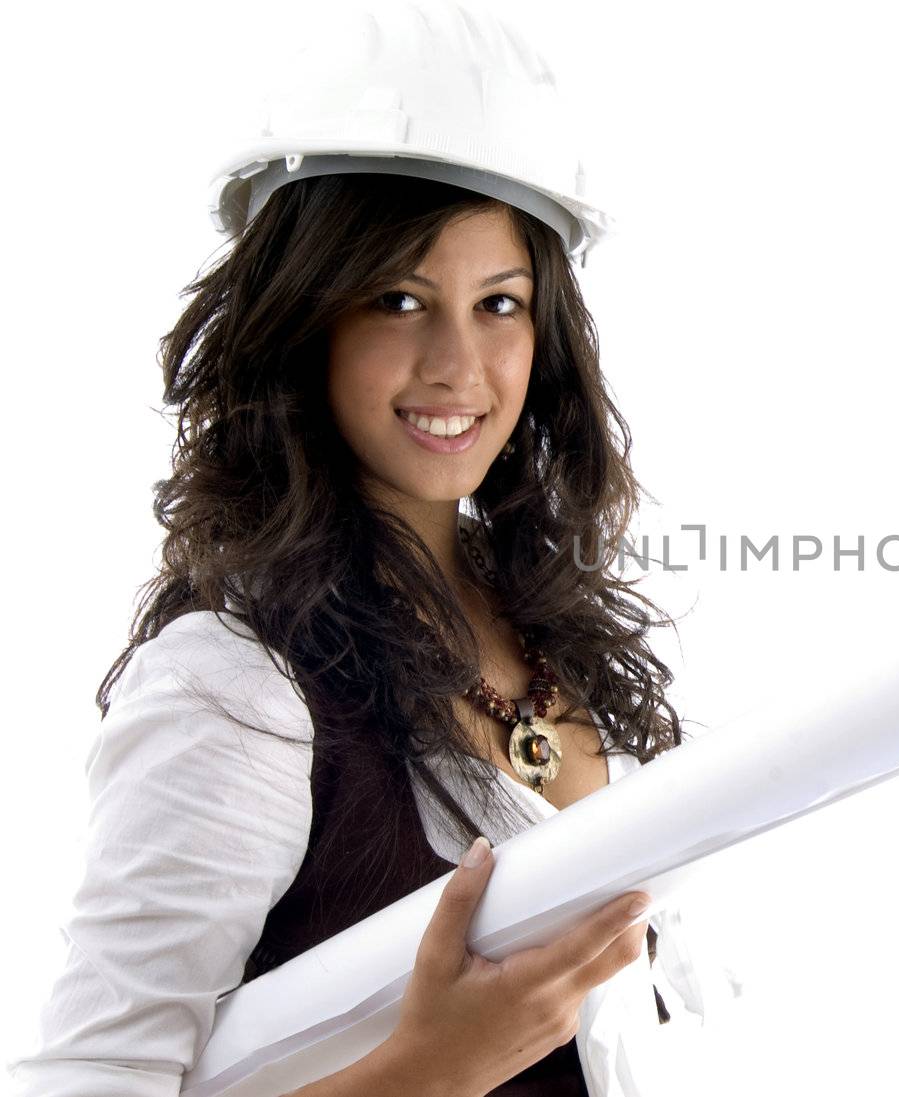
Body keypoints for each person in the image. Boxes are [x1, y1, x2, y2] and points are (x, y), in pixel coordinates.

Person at [9, 3, 737, 1095]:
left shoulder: (557, 641)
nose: (459, 364)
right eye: (398, 298)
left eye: (501, 303)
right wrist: (424, 1070)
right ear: (302, 319)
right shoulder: (236, 687)